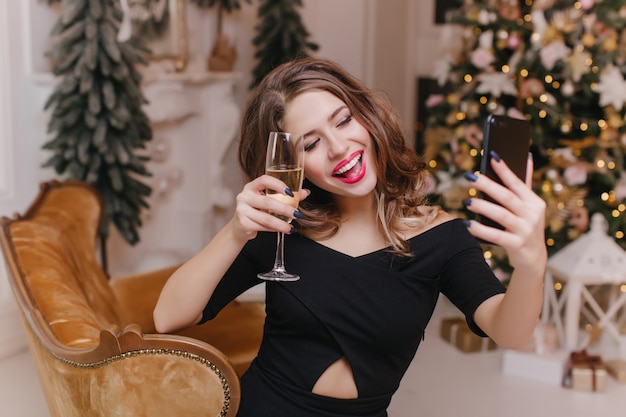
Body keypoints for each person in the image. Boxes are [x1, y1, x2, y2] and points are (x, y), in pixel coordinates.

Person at [153, 57, 547, 417]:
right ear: (294, 163)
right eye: (311, 143)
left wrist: (531, 265)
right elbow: (169, 317)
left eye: (343, 121)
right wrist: (236, 230)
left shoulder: (440, 236)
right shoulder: (283, 227)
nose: (340, 148)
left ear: (367, 117)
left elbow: (509, 331)